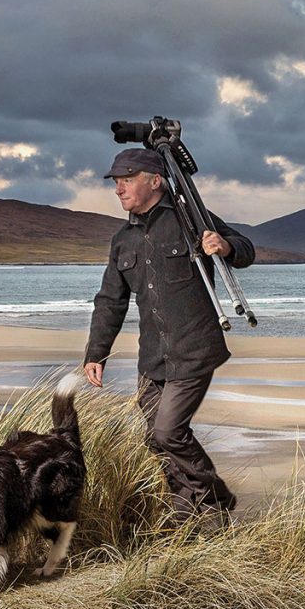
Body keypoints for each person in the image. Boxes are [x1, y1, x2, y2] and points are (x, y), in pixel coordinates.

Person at [83, 148, 254, 520]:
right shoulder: (122, 241)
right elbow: (110, 300)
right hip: (153, 358)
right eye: (116, 182)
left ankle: (215, 498)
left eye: (127, 180)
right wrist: (96, 353)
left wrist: (223, 246)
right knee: (154, 440)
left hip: (194, 350)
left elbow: (245, 249)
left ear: (154, 181)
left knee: (168, 433)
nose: (119, 189)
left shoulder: (190, 220)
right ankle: (185, 508)